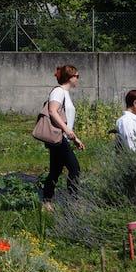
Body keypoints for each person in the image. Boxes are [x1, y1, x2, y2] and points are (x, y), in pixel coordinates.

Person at [41, 65, 85, 204]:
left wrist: (75, 138)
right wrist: (66, 130)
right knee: (74, 168)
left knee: (56, 171)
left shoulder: (65, 93)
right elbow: (52, 111)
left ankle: (47, 201)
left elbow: (65, 118)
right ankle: (73, 202)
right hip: (59, 138)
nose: (78, 79)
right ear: (69, 77)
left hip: (62, 137)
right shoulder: (58, 92)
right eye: (77, 76)